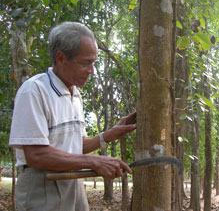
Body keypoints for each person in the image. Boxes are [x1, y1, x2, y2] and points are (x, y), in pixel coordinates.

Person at [9, 21, 136, 211]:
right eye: (86, 63)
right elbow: (36, 155)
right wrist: (94, 161)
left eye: (94, 63)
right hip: (43, 187)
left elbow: (74, 146)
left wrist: (109, 135)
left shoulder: (75, 94)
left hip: (73, 185)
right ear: (61, 58)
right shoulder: (35, 91)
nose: (92, 71)